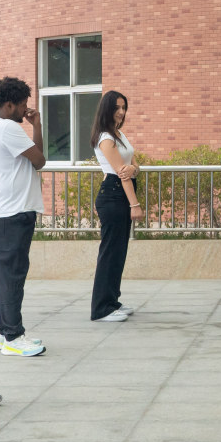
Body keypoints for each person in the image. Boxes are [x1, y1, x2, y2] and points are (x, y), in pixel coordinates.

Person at [0, 77, 46, 357]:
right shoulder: (9, 128)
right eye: (22, 105)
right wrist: (37, 127)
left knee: (2, 276)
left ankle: (4, 332)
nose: (25, 110)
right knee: (12, 276)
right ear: (8, 105)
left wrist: (34, 125)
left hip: (3, 210)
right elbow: (39, 160)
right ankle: (13, 335)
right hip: (15, 210)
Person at [90, 90, 143, 322]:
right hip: (114, 194)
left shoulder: (118, 134)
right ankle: (101, 309)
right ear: (107, 109)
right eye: (117, 108)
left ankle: (112, 301)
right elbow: (122, 174)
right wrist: (135, 204)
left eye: (124, 107)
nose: (121, 112)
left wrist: (134, 168)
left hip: (117, 192)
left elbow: (133, 165)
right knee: (110, 253)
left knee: (118, 252)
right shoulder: (106, 138)